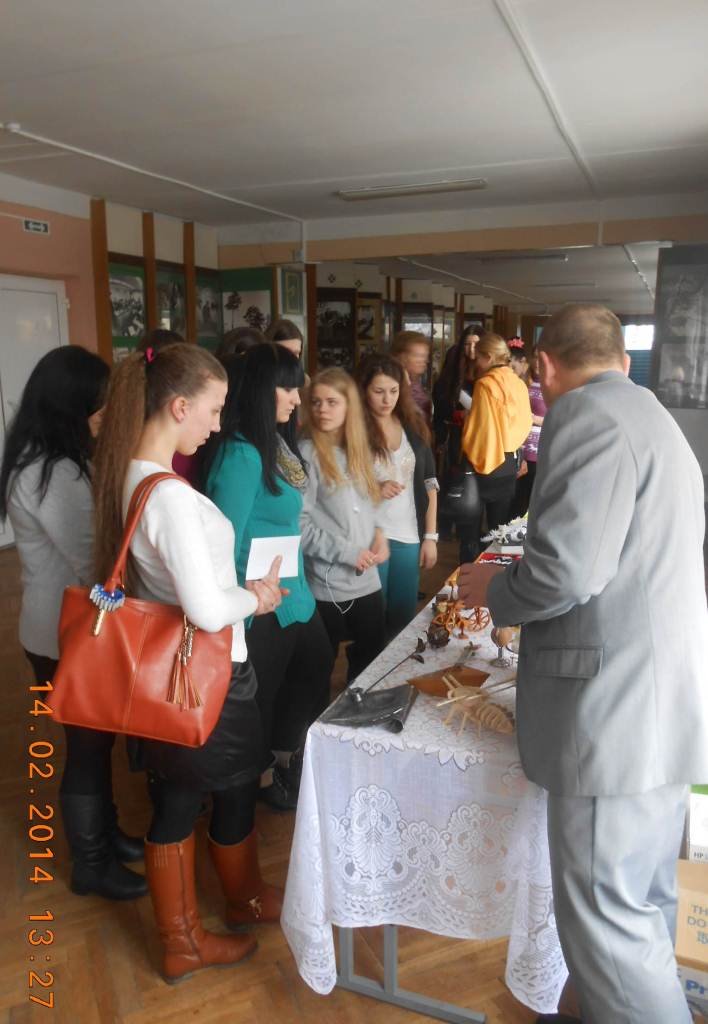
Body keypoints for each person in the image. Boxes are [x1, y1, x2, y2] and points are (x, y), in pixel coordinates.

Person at [458, 303, 708, 1024]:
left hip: (611, 712)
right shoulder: (654, 415)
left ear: (542, 367)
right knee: (643, 902)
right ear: (623, 361)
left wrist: (495, 590)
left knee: (606, 922)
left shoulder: (584, 416)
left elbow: (567, 572)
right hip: (659, 701)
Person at [93, 343, 285, 982]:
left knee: (211, 789)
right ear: (179, 406)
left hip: (189, 671)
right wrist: (256, 598)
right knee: (188, 797)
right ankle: (186, 940)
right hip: (206, 673)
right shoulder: (169, 494)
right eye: (213, 408)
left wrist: (236, 596)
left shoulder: (131, 474)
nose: (216, 423)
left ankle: (238, 902)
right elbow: (204, 608)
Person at [0, 346, 148, 901]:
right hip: (63, 633)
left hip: (65, 627)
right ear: (70, 405)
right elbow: (94, 558)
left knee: (95, 742)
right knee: (86, 748)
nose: (106, 414)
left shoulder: (55, 458)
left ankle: (107, 836)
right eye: (99, 404)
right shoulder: (50, 472)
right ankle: (91, 863)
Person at [200, 344, 333, 812]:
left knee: (315, 668)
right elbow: (224, 540)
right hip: (259, 602)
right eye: (286, 387)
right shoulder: (241, 453)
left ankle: (279, 762)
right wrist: (243, 597)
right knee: (263, 698)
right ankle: (256, 782)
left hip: (291, 594)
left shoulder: (274, 443)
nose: (297, 398)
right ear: (260, 389)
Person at [300, 368, 388, 681]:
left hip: (368, 582)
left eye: (332, 402)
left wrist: (379, 534)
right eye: (316, 402)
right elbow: (298, 526)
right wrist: (347, 552)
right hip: (325, 587)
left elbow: (369, 507)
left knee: (369, 667)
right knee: (317, 672)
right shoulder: (307, 454)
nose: (322, 409)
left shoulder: (360, 450)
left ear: (349, 406)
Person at [358, 353, 438, 639]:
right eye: (378, 391)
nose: (386, 399)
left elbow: (430, 483)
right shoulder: (354, 429)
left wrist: (430, 537)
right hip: (368, 535)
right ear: (363, 390)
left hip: (408, 534)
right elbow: (338, 484)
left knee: (403, 618)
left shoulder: (412, 425)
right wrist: (374, 488)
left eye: (393, 391)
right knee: (370, 621)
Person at [457, 333, 532, 563]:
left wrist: (467, 427)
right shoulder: (518, 383)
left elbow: (482, 430)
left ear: (488, 357)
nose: (476, 362)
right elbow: (525, 422)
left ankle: (467, 574)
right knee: (499, 529)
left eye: (479, 358)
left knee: (470, 530)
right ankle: (493, 574)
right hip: (509, 463)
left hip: (484, 460)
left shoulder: (485, 384)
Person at [512, 345, 547, 517]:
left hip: (539, 452)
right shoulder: (522, 381)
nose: (538, 362)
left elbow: (560, 418)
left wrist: (534, 419)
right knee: (514, 503)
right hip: (517, 448)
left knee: (531, 506)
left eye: (542, 358)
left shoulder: (553, 385)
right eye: (535, 356)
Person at [392, 330, 432, 425]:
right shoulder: (394, 384)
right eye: (419, 356)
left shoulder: (414, 380)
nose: (425, 361)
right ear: (402, 357)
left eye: (425, 356)